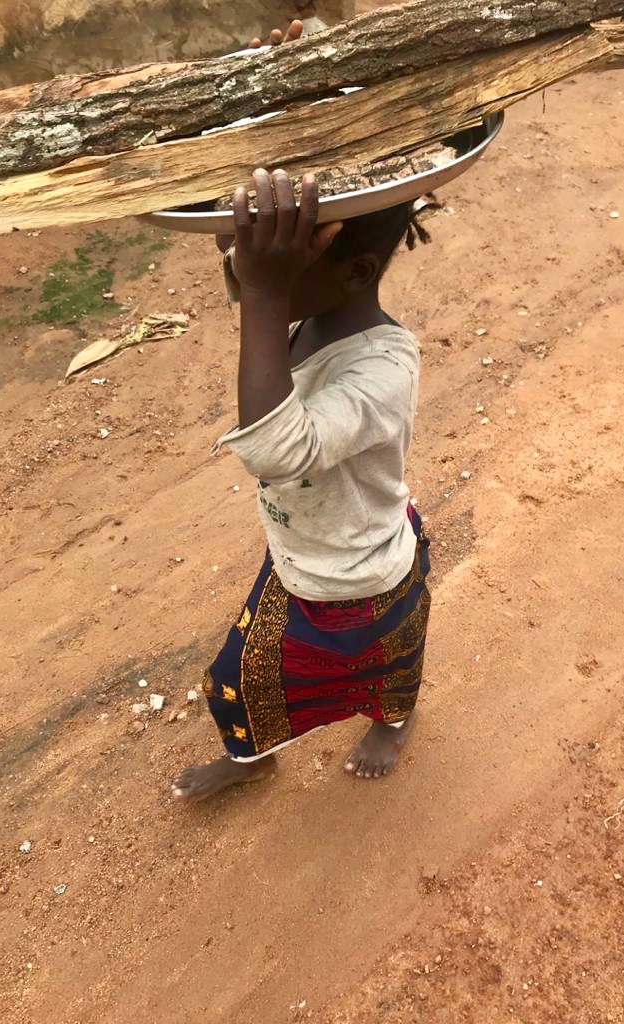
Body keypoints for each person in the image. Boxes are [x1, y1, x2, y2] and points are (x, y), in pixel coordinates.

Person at [172, 23, 432, 804]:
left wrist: (265, 288)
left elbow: (277, 451)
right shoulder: (310, 309)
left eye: (283, 255)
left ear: (355, 269)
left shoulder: (383, 367)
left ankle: (392, 722)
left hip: (363, 572)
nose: (248, 265)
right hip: (298, 561)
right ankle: (250, 755)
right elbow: (244, 272)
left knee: (389, 666)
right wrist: (291, 86)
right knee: (240, 679)